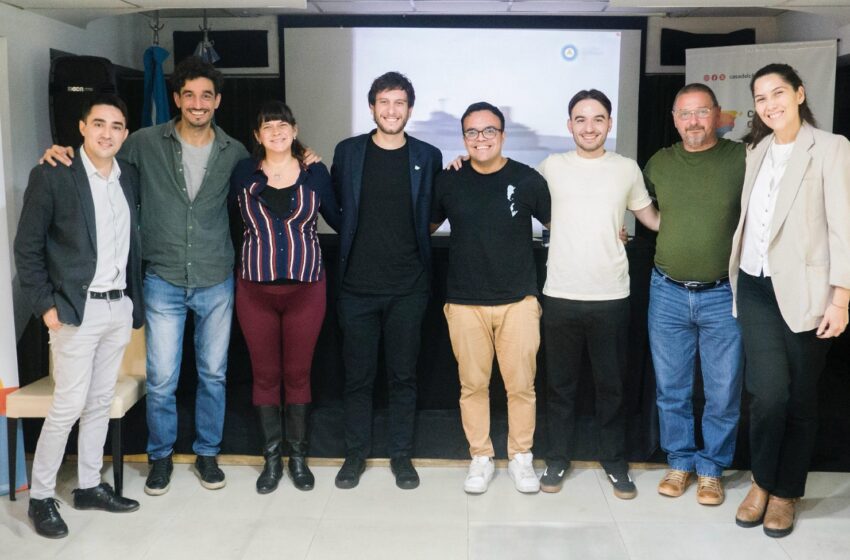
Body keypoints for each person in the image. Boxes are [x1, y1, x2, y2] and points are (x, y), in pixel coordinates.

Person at [41, 57, 250, 495]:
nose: (197, 103)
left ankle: (207, 453)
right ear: (176, 98)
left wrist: (305, 154)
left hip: (215, 277)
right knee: (162, 378)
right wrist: (57, 151)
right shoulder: (142, 143)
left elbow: (272, 171)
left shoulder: (235, 152)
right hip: (163, 279)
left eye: (206, 96)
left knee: (213, 374)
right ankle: (160, 458)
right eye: (189, 94)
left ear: (218, 101)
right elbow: (96, 161)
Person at [15, 94, 143, 538]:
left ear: (125, 133)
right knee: (67, 404)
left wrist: (130, 303)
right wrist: (46, 307)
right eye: (99, 124)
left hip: (117, 305)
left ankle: (89, 486)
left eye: (117, 126)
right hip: (75, 309)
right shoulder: (53, 175)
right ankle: (41, 497)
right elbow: (26, 249)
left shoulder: (127, 178)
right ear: (82, 127)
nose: (108, 133)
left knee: (98, 402)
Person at [730, 63, 850, 538]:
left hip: (808, 292)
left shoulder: (832, 148)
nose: (769, 104)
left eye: (778, 93)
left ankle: (785, 493)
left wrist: (841, 298)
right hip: (755, 285)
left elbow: (844, 227)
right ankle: (761, 481)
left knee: (800, 397)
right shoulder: (755, 150)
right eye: (760, 98)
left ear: (799, 94)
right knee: (767, 396)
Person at [538, 90, 659, 498]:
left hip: (611, 294)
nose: (589, 127)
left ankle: (614, 460)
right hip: (560, 293)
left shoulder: (626, 169)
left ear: (609, 123)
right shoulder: (551, 167)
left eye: (598, 119)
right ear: (569, 124)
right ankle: (557, 458)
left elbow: (651, 220)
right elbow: (516, 203)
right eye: (581, 119)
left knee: (611, 386)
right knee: (559, 385)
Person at [431, 102, 551, 495]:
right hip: (465, 301)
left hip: (519, 300)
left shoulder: (528, 179)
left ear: (502, 135)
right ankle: (480, 457)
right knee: (472, 386)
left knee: (521, 387)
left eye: (488, 131)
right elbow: (428, 225)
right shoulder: (448, 180)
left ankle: (521, 457)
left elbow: (560, 225)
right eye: (472, 132)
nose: (480, 138)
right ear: (463, 137)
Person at [331, 71, 443, 490]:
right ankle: (355, 454)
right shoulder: (348, 152)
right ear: (372, 106)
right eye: (384, 102)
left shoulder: (428, 156)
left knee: (403, 376)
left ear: (409, 109)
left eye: (399, 103)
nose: (392, 110)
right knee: (357, 378)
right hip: (356, 288)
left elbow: (435, 211)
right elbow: (337, 206)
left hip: (408, 288)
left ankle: (400, 456)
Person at [230, 101, 341, 494]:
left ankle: (298, 459)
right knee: (265, 376)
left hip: (306, 291)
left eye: (282, 124)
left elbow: (340, 220)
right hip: (254, 290)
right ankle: (272, 461)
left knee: (297, 375)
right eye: (267, 126)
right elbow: (228, 221)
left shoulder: (316, 173)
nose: (275, 131)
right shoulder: (244, 172)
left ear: (294, 130)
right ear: (257, 136)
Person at [643, 83, 745, 506]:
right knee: (672, 388)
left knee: (722, 391)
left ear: (717, 115)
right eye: (684, 114)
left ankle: (711, 469)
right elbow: (636, 203)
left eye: (701, 112)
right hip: (666, 291)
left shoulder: (741, 159)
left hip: (723, 293)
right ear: (673, 119)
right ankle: (680, 461)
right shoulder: (659, 163)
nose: (693, 122)